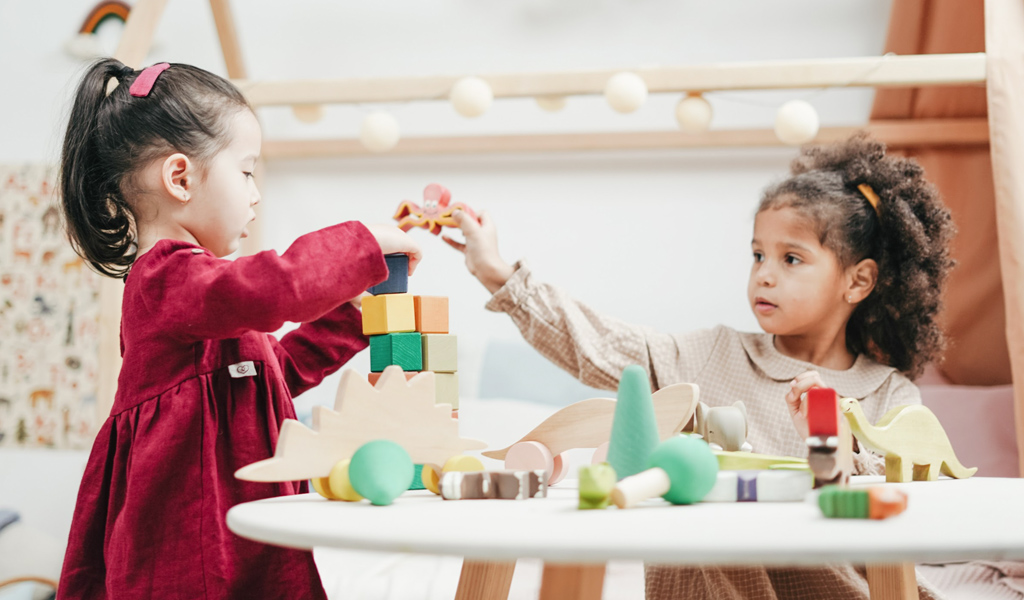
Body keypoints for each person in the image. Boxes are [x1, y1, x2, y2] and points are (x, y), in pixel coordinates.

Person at [445, 134, 955, 599]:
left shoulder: (888, 395)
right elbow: (596, 343)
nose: (765, 276)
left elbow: (912, 503)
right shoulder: (710, 356)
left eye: (791, 259)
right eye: (758, 256)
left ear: (858, 281)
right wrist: (497, 273)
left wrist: (838, 445)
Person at [56, 58, 420, 599]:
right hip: (190, 540)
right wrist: (361, 241)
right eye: (246, 171)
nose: (255, 193)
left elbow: (277, 371)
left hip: (243, 526)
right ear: (180, 177)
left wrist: (358, 314)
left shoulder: (207, 300)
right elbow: (274, 288)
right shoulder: (167, 279)